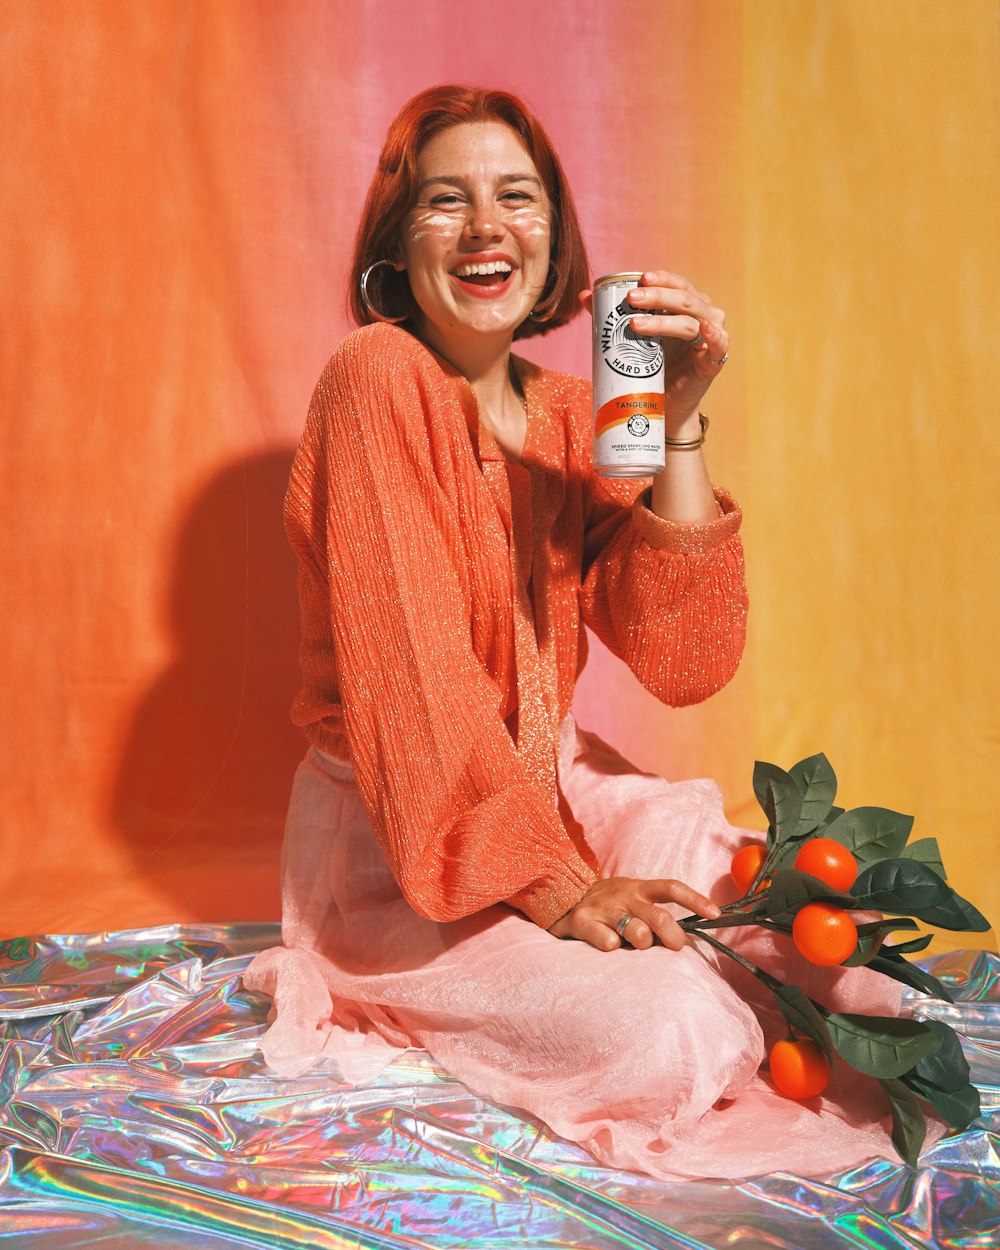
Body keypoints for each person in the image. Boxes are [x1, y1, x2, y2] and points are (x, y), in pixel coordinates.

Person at [245, 85, 906, 1181]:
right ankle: (454, 978)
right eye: (444, 202)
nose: (486, 226)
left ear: (553, 235)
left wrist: (681, 420)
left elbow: (682, 658)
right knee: (673, 1027)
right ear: (393, 244)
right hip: (405, 839)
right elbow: (412, 687)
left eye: (517, 195)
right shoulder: (375, 378)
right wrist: (562, 888)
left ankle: (697, 964)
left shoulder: (570, 412)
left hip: (556, 788)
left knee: (812, 935)